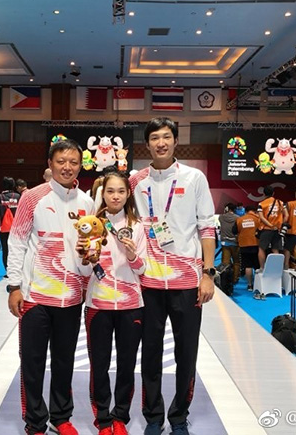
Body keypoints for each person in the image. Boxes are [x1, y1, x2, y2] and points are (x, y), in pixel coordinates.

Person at [129, 117, 216, 435]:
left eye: (166, 137)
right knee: (150, 352)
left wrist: (208, 274)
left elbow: (207, 226)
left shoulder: (194, 178)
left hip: (187, 282)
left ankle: (179, 416)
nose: (161, 143)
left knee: (186, 353)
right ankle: (153, 416)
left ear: (176, 141)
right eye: (155, 138)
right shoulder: (136, 181)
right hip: (148, 283)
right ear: (147, 144)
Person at [7, 139, 94, 435]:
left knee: (64, 361)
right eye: (61, 161)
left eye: (73, 162)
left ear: (80, 166)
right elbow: (17, 242)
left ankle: (61, 417)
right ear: (50, 164)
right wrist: (14, 286)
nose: (67, 167)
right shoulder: (32, 197)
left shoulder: (87, 203)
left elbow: (89, 250)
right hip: (35, 296)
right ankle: (34, 421)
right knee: (32, 362)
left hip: (70, 298)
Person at [83, 171, 146, 435]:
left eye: (121, 191)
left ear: (128, 194)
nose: (116, 196)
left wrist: (132, 255)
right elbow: (83, 269)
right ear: (102, 193)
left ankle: (120, 416)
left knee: (127, 364)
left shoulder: (138, 226)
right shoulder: (91, 225)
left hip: (131, 305)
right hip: (98, 304)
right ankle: (103, 418)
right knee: (99, 364)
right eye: (110, 191)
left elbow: (142, 269)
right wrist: (87, 257)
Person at [257, 185, 289, 270]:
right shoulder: (280, 202)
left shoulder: (261, 204)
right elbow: (286, 215)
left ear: (264, 194)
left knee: (262, 248)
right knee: (275, 249)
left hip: (266, 230)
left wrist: (270, 225)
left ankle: (262, 267)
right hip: (277, 230)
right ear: (273, 193)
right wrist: (281, 225)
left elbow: (261, 217)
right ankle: (277, 268)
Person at [0, 177, 21, 276]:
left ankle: (8, 270)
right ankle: (17, 270)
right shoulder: (17, 196)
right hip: (16, 228)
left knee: (5, 249)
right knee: (16, 249)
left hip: (3, 228)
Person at [233, 205, 260, 291]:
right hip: (256, 244)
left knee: (248, 266)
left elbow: (234, 231)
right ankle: (259, 285)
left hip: (244, 245)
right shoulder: (258, 219)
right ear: (255, 211)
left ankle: (249, 285)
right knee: (258, 267)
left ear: (246, 211)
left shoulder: (240, 219)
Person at [218, 203, 240, 284]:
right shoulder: (237, 218)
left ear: (227, 208)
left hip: (225, 242)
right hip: (235, 242)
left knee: (225, 262)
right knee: (236, 262)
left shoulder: (221, 217)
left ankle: (225, 280)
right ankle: (235, 279)